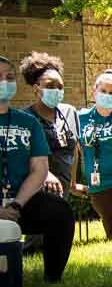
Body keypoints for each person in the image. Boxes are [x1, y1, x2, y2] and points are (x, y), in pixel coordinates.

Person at [0, 56, 75, 283]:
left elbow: (39, 169)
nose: (4, 82)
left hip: (21, 201)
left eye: (9, 77)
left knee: (60, 212)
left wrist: (15, 205)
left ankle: (53, 279)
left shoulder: (28, 122)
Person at [79, 69, 112, 239]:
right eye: (103, 91)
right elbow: (73, 149)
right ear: (94, 91)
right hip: (100, 185)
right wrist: (73, 182)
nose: (107, 95)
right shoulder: (81, 117)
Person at [19, 52, 80, 197]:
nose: (56, 90)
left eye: (60, 86)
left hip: (62, 194)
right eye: (50, 85)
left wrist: (72, 183)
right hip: (34, 195)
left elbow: (74, 149)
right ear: (36, 88)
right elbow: (20, 157)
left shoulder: (70, 113)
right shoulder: (25, 119)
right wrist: (44, 174)